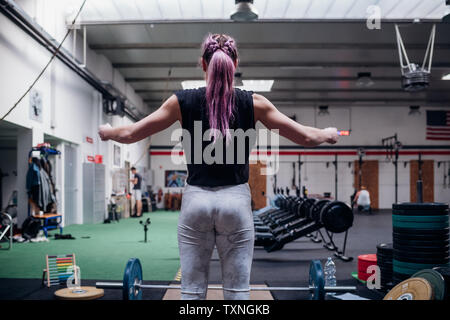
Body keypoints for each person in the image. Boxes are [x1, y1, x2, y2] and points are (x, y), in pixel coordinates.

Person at [98, 33, 338, 300]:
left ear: (203, 64)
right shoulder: (255, 103)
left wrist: (108, 132)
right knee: (237, 293)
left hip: (195, 201)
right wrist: (328, 133)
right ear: (235, 63)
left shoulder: (181, 101)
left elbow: (131, 133)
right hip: (235, 202)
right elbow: (305, 136)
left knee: (191, 291)